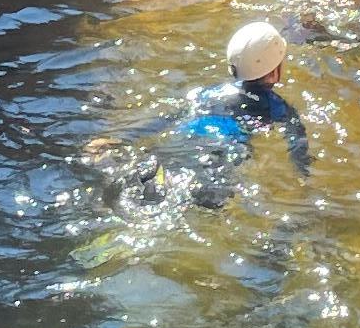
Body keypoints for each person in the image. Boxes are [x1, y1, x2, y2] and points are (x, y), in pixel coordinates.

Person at [89, 21, 314, 208]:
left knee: (154, 190)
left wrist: (121, 138)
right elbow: (297, 144)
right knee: (206, 205)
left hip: (178, 145)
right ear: (275, 71)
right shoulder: (278, 107)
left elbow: (169, 117)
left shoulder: (210, 93)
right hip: (217, 157)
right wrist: (305, 178)